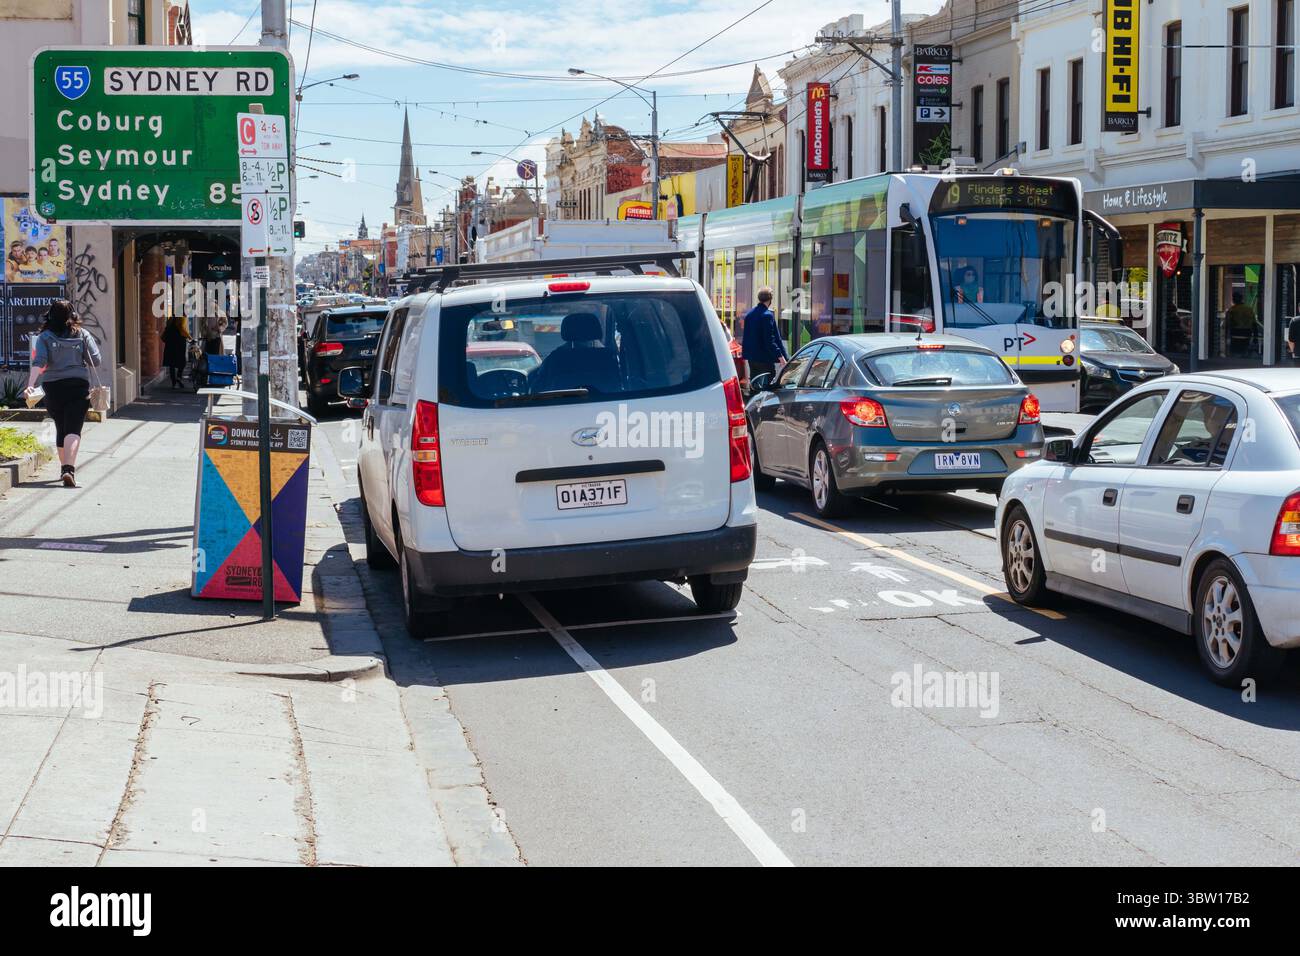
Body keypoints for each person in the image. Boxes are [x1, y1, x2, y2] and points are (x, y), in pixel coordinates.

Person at [24, 300, 101, 488]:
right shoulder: (83, 334)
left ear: (50, 315)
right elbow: (96, 360)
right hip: (78, 385)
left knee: (61, 426)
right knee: (73, 429)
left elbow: (39, 362)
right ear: (72, 315)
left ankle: (63, 470)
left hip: (53, 387)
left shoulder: (45, 337)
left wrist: (31, 385)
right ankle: (69, 469)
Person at [740, 286, 787, 381]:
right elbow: (770, 340)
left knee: (755, 385)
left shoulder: (749, 314)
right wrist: (782, 358)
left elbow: (747, 337)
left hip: (752, 359)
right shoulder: (767, 316)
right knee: (767, 389)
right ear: (770, 299)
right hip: (765, 360)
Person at [160, 314, 189, 389]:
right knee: (182, 361)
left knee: (171, 363)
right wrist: (189, 337)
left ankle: (173, 382)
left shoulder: (171, 318)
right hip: (180, 342)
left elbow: (167, 327)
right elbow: (183, 329)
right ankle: (179, 377)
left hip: (170, 342)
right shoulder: (182, 317)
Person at [1225, 292, 1255, 357]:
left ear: (1233, 300)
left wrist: (1226, 335)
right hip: (1247, 332)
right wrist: (1255, 336)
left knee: (1235, 350)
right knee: (1244, 347)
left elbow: (1228, 323)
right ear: (1242, 299)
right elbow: (1253, 323)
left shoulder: (1231, 310)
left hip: (1235, 332)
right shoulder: (1249, 309)